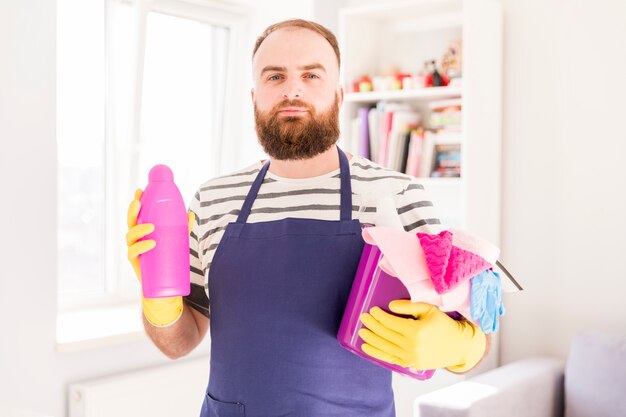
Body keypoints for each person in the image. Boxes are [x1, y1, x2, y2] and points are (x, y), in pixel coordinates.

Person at [125, 19, 489, 417]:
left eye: (311, 74)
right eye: (275, 76)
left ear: (338, 94)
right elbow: (179, 342)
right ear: (254, 97)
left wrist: (458, 344)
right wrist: (156, 298)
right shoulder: (213, 200)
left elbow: (475, 334)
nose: (292, 89)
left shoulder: (396, 194)